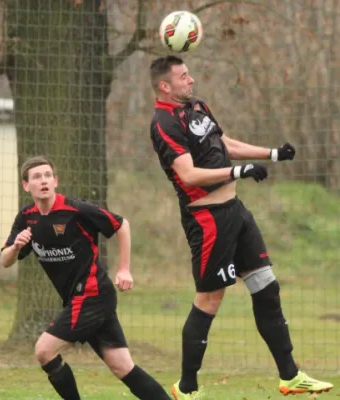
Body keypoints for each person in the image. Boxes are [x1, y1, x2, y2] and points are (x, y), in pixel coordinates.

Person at [149, 55, 334, 400]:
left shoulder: (198, 106)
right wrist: (238, 172)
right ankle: (186, 388)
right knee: (209, 299)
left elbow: (223, 143)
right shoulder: (163, 123)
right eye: (183, 77)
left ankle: (291, 377)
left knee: (266, 285)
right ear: (165, 86)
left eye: (189, 74)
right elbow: (187, 174)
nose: (191, 80)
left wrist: (273, 154)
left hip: (236, 212)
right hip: (207, 221)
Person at [1, 156, 171, 400]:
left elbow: (121, 225)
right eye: (37, 177)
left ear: (56, 181)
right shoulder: (27, 218)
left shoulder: (75, 210)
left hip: (92, 294)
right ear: (26, 186)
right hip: (81, 299)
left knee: (43, 350)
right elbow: (5, 260)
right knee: (123, 367)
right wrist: (16, 246)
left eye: (48, 175)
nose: (44, 180)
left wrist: (124, 269)